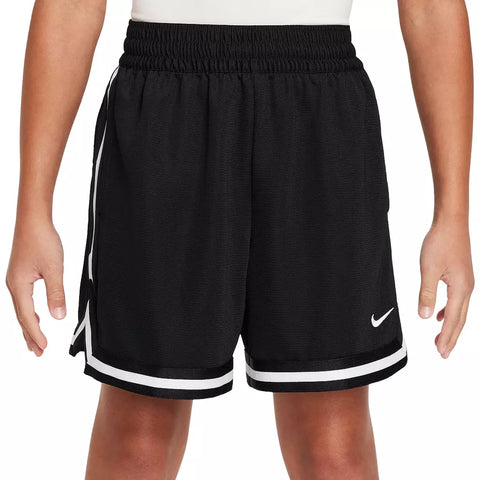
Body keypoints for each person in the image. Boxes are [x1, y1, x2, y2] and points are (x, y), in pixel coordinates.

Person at [6, 0, 474, 478]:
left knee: (335, 451)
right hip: (167, 100)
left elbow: (430, 7)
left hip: (319, 107)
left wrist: (453, 215)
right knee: (138, 441)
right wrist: (32, 210)